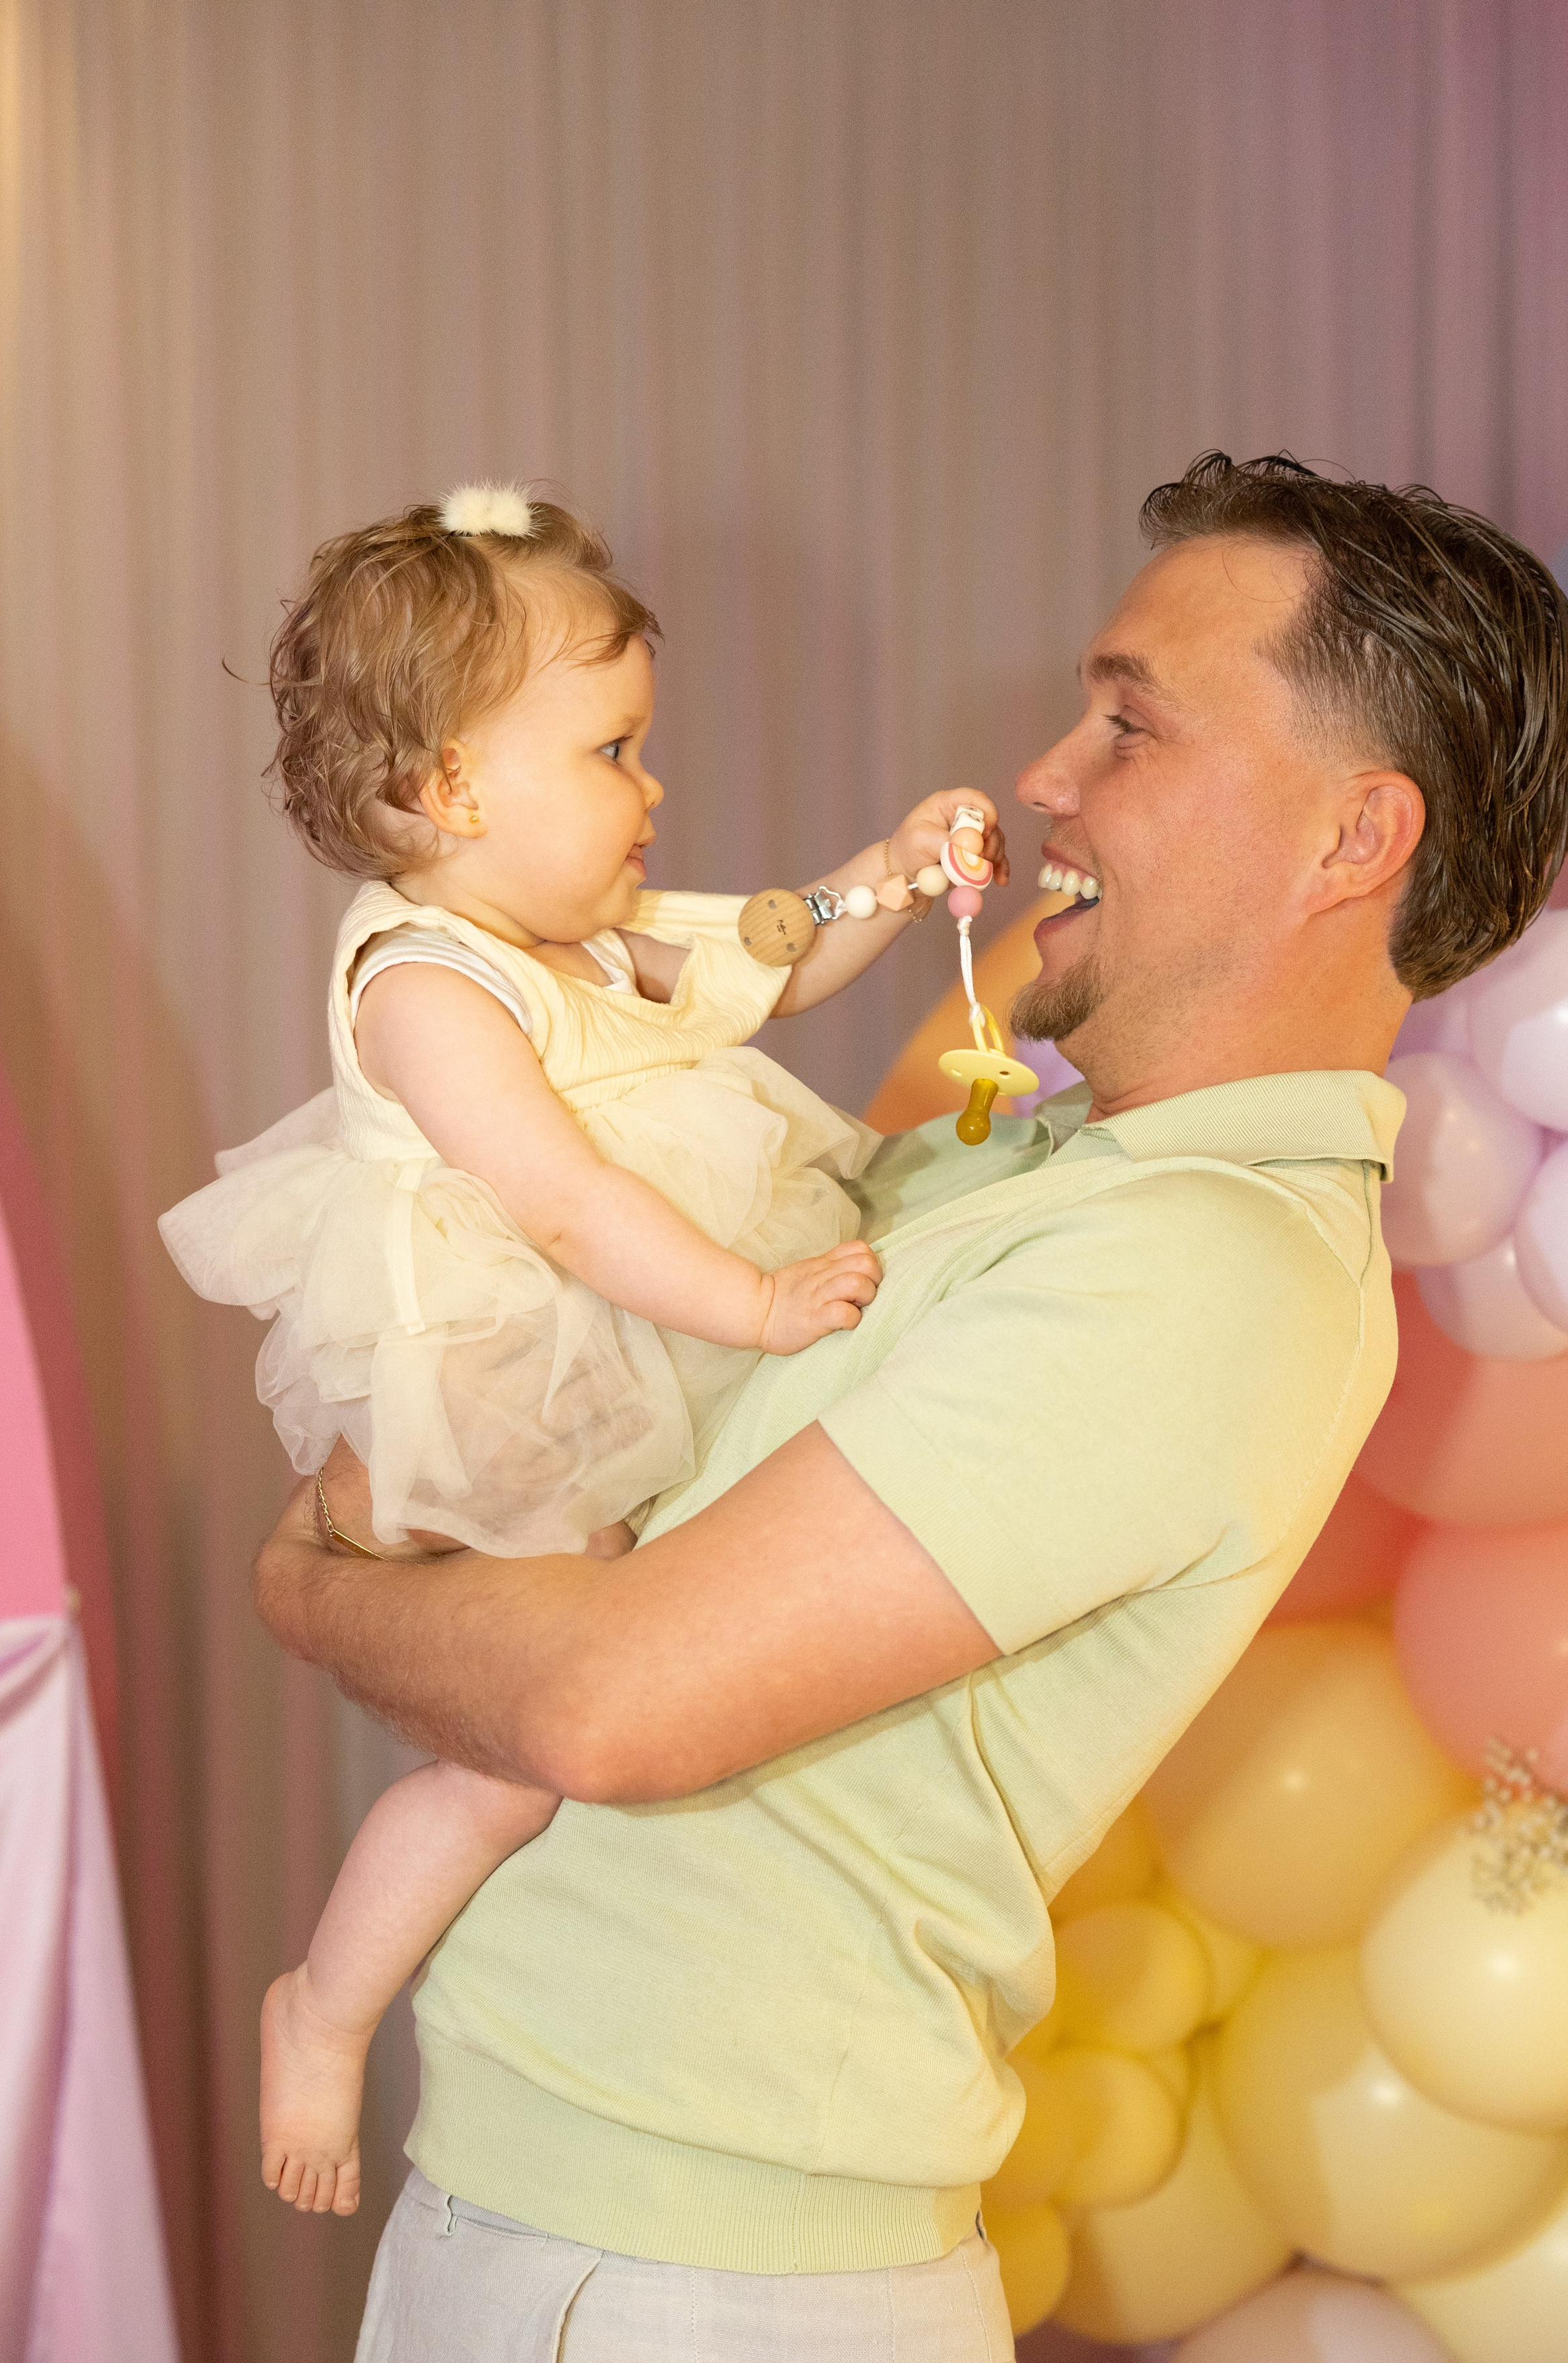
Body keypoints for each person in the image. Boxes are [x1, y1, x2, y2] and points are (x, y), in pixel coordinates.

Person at [255, 453, 1568, 2363]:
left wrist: (309, 1591)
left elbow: (616, 1709)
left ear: (1357, 833)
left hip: (702, 2315)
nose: (1048, 775)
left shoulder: (1211, 1267)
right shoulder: (1043, 1164)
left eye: (1129, 724)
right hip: (559, 2226)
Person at [160, 482, 1007, 2219]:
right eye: (614, 750)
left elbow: (772, 958)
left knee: (601, 1682)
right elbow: (565, 1209)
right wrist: (752, 1305)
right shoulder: (429, 987)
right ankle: (324, 2006)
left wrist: (910, 872)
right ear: (446, 790)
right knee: (502, 1775)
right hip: (510, 1360)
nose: (653, 787)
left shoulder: (579, 945)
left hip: (608, 1348)